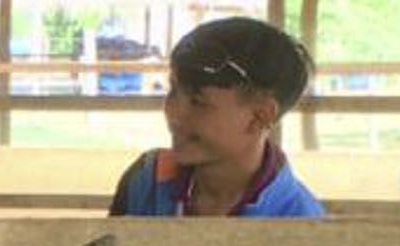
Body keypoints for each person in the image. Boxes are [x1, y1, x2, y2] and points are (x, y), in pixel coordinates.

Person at [105, 19, 327, 220]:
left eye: (197, 102)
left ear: (259, 117)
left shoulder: (300, 223)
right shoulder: (147, 180)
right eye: (173, 91)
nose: (173, 113)